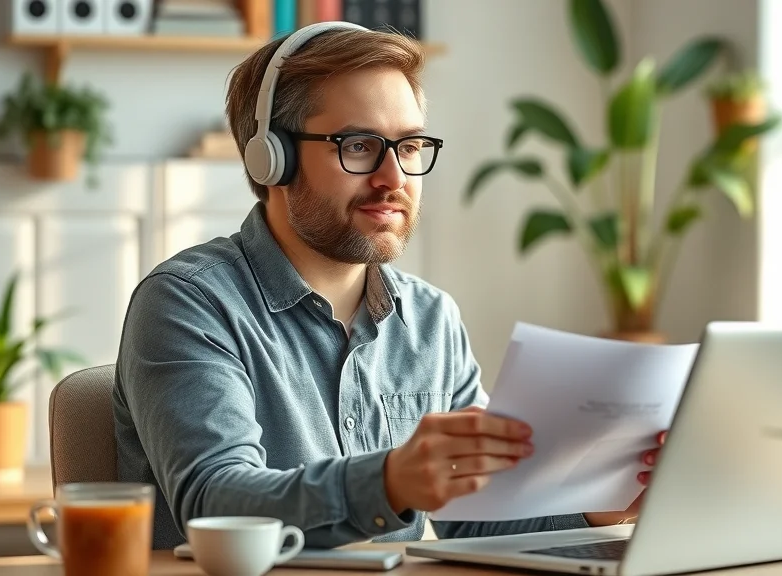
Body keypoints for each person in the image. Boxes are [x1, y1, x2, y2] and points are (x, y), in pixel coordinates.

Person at [112, 21, 663, 551]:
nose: (393, 177)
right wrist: (391, 481)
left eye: (411, 145)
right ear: (271, 157)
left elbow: (476, 518)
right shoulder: (189, 304)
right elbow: (217, 503)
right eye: (357, 145)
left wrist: (603, 503)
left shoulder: (430, 319)